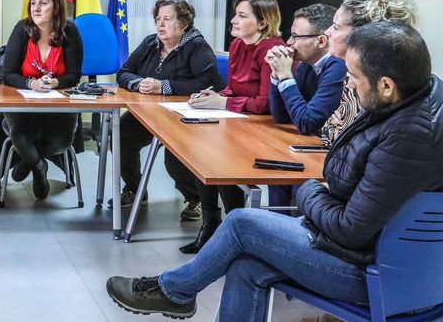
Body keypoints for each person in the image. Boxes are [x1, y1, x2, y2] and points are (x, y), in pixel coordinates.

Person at [106, 21, 443, 321]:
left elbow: (350, 228)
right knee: (247, 266)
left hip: (380, 274)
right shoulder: (411, 95)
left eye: (354, 77)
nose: (350, 85)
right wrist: (322, 192)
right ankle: (176, 293)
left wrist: (310, 189)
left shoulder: (410, 135)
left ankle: (174, 293)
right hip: (371, 253)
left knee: (241, 222)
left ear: (386, 85)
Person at [172, 0, 290, 254]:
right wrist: (212, 96)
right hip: (239, 121)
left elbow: (266, 104)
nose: (233, 21)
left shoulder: (271, 49)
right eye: (235, 14)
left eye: (241, 16)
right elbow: (233, 90)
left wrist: (223, 102)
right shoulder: (237, 45)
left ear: (262, 23)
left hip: (267, 129)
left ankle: (231, 228)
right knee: (199, 151)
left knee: (220, 158)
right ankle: (212, 222)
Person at [114, 0, 223, 215]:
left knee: (174, 158)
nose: (160, 24)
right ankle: (136, 189)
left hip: (183, 117)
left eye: (167, 19)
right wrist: (138, 83)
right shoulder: (149, 43)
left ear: (183, 23)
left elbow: (210, 83)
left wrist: (164, 86)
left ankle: (195, 198)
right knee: (121, 134)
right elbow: (123, 72)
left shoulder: (197, 46)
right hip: (149, 113)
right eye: (158, 19)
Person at [1, 0, 83, 199]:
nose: (36, 8)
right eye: (33, 3)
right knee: (20, 133)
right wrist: (31, 84)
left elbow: (74, 76)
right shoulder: (22, 29)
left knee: (60, 141)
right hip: (23, 104)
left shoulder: (70, 31)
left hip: (58, 105)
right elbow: (7, 74)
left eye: (43, 3)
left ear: (56, 7)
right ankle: (38, 168)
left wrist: (54, 83)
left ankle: (28, 161)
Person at [266, 4, 346, 210]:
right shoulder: (308, 64)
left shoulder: (337, 67)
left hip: (331, 158)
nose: (289, 43)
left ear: (321, 40)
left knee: (286, 175)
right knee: (277, 169)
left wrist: (285, 76)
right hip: (312, 149)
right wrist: (277, 76)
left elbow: (307, 122)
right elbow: (281, 116)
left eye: (295, 37)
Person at [321, 0, 418, 146]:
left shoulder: (375, 80)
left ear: (361, 35)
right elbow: (329, 132)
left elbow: (339, 138)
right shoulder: (352, 73)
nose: (327, 32)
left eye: (336, 27)